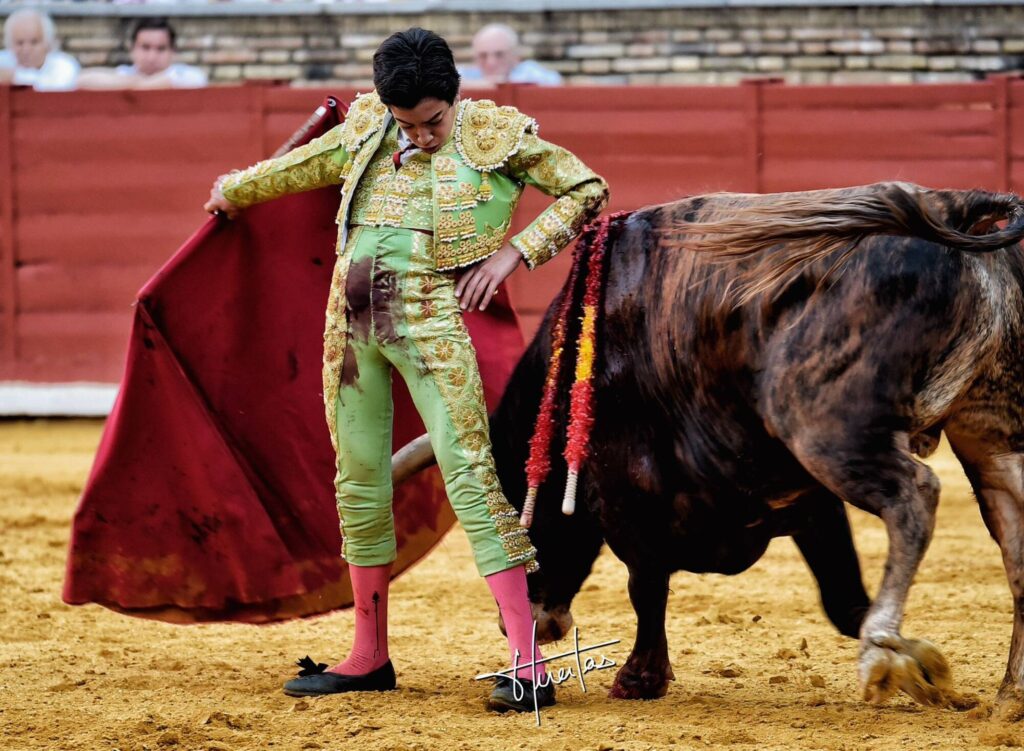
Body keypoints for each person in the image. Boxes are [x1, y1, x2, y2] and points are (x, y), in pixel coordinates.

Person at [204, 27, 608, 713]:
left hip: (429, 324)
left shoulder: (491, 134)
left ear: (455, 97)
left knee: (472, 477)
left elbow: (585, 188)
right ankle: (368, 656)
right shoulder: (370, 126)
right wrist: (234, 189)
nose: (419, 136)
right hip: (349, 327)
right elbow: (305, 165)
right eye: (406, 124)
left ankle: (528, 663)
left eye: (432, 122)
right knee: (358, 481)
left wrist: (513, 255)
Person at [77, 18, 207, 90]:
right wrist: (137, 82)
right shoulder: (125, 73)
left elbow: (196, 80)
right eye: (145, 47)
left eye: (161, 49)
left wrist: (133, 84)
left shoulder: (186, 75)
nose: (152, 57)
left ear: (173, 51)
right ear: (132, 49)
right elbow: (82, 80)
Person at [459, 23, 563, 87]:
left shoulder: (529, 71)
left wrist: (497, 85)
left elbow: (554, 81)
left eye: (499, 55)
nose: (491, 62)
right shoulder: (469, 73)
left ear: (516, 57)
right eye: (483, 56)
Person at [0, 8, 79, 91]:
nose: (26, 50)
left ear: (48, 44)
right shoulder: (3, 61)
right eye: (20, 43)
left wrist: (15, 77)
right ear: (9, 45)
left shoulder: (64, 65)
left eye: (34, 42)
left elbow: (55, 88)